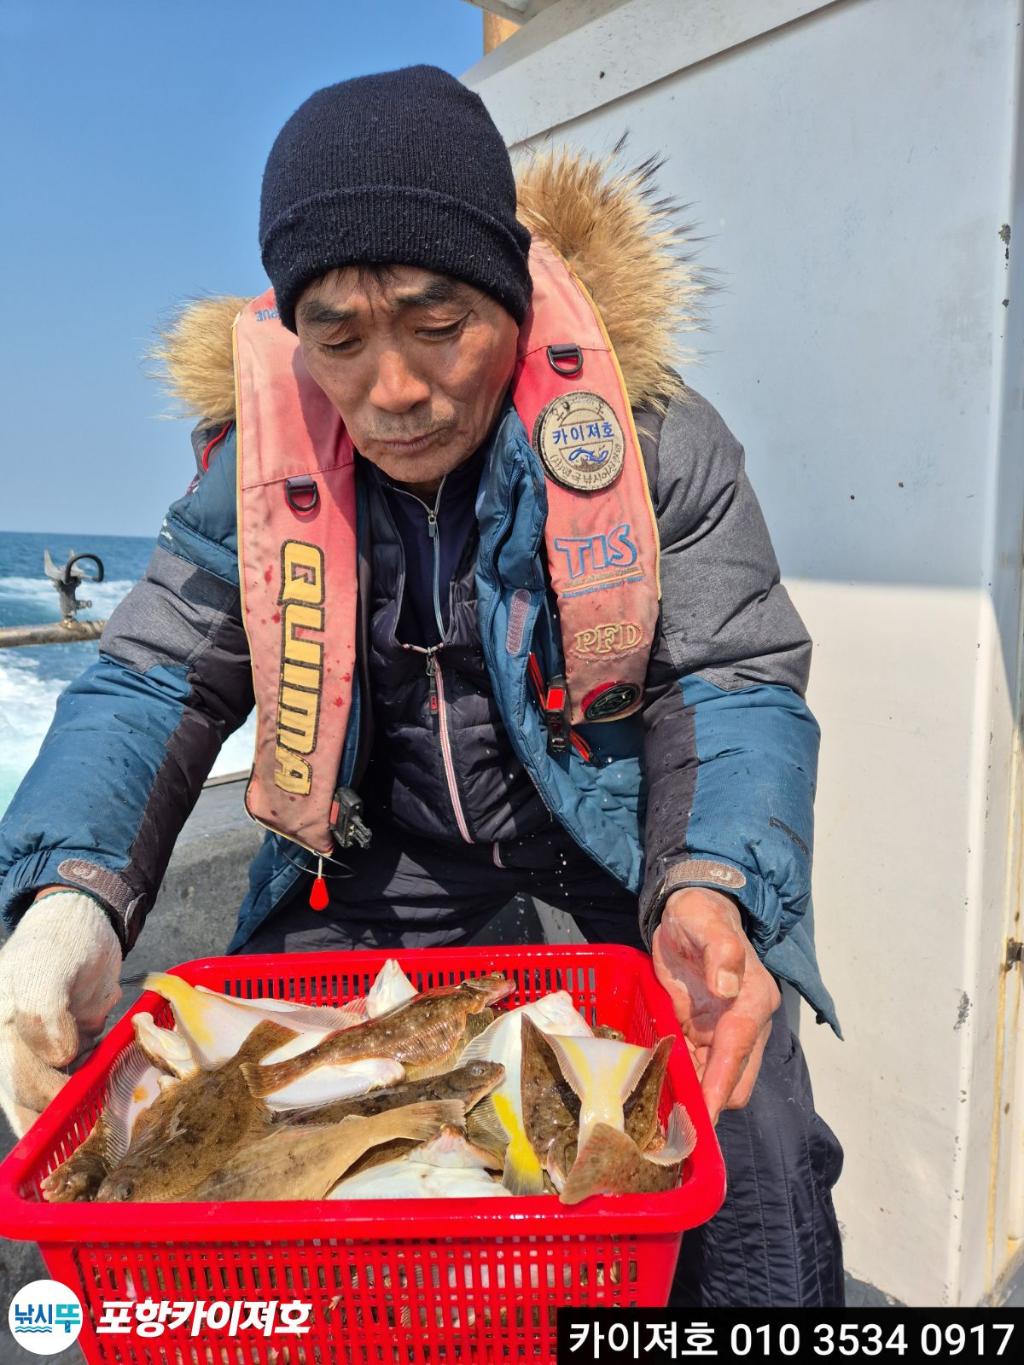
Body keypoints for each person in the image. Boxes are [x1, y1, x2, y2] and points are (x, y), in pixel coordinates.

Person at [0, 66, 843, 1305]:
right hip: (371, 885)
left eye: (437, 324)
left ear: (508, 294)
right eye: (337, 337)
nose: (391, 387)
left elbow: (730, 678)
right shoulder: (251, 475)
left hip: (617, 881)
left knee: (750, 1157)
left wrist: (713, 886)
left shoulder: (656, 441)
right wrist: (70, 899)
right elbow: (153, 676)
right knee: (137, 1162)